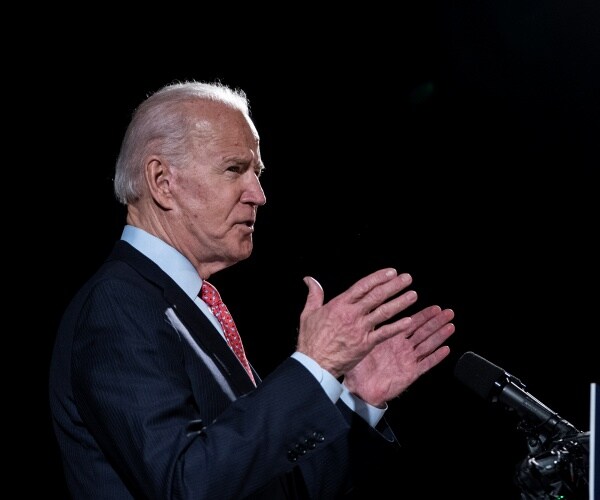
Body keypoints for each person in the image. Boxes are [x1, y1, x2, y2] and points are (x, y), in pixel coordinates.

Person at [49, 80, 456, 499]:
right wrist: (314, 367)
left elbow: (272, 486)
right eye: (234, 169)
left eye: (257, 173)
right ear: (161, 181)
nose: (259, 195)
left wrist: (354, 400)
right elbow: (184, 487)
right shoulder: (118, 305)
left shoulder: (189, 304)